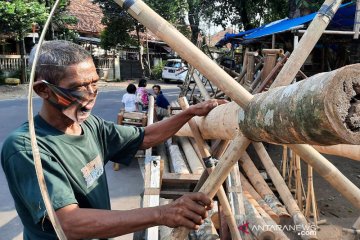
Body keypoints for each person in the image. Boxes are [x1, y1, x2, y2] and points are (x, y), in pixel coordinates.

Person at [1, 40, 225, 239]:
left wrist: (189, 113)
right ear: (43, 91)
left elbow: (145, 136)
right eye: (78, 87)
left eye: (94, 84)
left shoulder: (90, 125)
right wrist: (161, 213)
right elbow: (68, 224)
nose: (90, 94)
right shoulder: (27, 148)